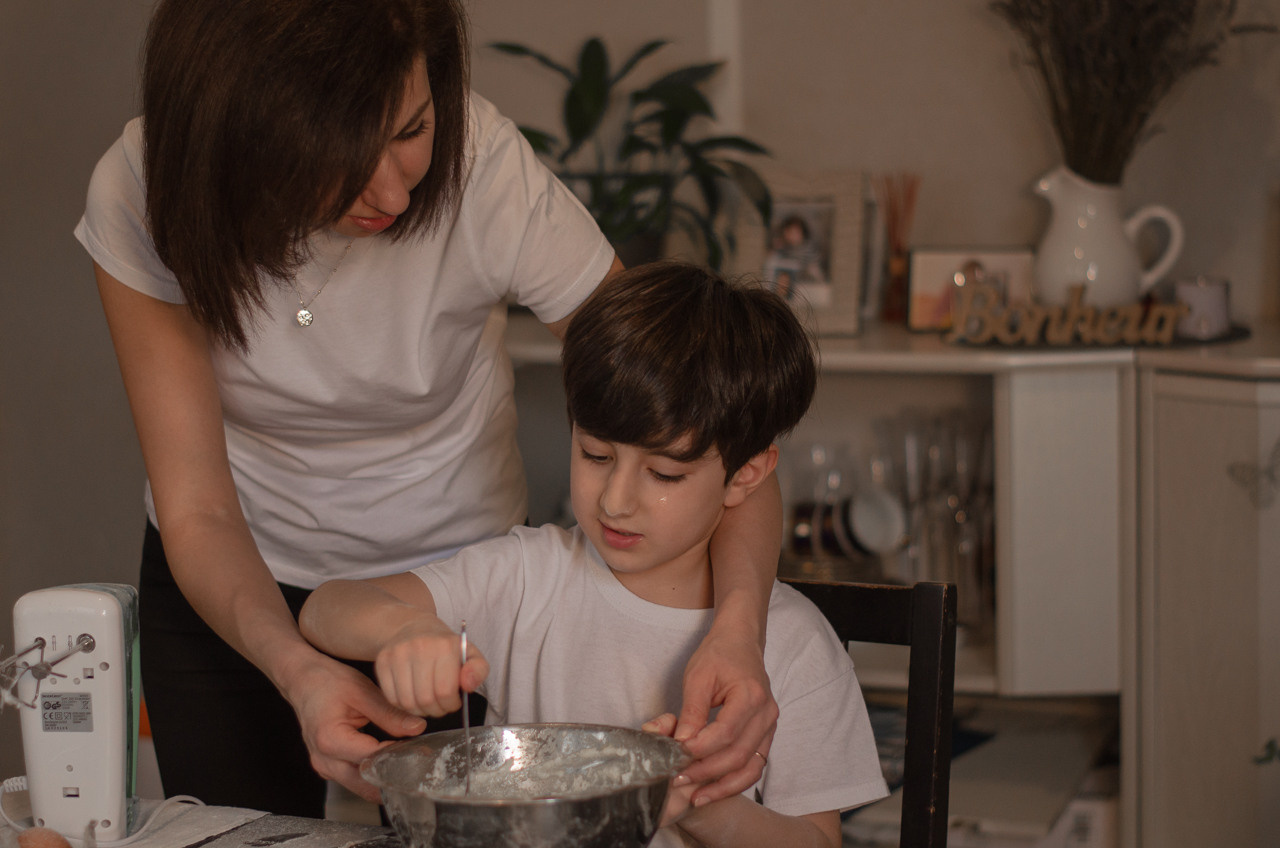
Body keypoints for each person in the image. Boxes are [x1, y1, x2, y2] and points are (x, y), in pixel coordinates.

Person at [75, 0, 781, 818]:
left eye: (412, 129)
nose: (394, 190)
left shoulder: (486, 170)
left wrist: (738, 632)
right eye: (339, 161)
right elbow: (197, 508)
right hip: (231, 583)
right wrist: (298, 669)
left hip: (451, 599)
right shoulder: (148, 189)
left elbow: (706, 422)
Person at [299, 262, 890, 848]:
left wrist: (700, 804)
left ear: (746, 476)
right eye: (595, 455)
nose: (615, 501)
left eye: (664, 473)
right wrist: (401, 628)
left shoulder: (793, 646)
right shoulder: (527, 577)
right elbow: (326, 607)